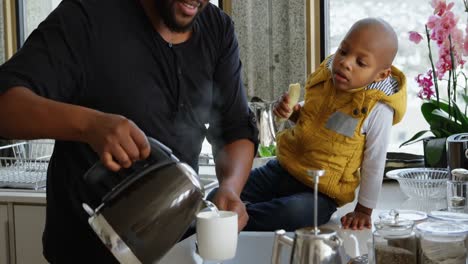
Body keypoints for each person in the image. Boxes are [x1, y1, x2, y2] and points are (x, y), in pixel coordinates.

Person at [0, 0, 258, 262]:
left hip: (173, 249)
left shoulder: (218, 29)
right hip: (86, 250)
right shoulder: (87, 15)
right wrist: (89, 125)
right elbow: (6, 105)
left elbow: (235, 126)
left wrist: (230, 188)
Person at [239, 17, 407, 231]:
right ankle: (228, 211)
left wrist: (364, 210)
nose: (346, 63)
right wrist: (293, 112)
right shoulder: (326, 80)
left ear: (381, 74)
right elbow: (318, 117)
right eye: (344, 51)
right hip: (282, 170)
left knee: (292, 212)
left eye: (361, 62)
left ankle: (237, 219)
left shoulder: (378, 110)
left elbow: (374, 162)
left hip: (320, 193)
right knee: (223, 192)